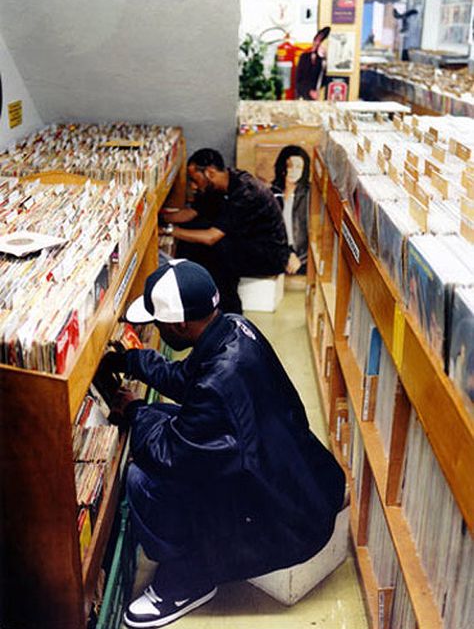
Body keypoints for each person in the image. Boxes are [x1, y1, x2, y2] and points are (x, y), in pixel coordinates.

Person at [102, 259, 346, 629]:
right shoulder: (234, 327)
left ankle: (188, 580)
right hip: (298, 479)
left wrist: (135, 411)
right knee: (164, 423)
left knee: (144, 479)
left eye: (158, 323)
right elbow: (189, 379)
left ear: (180, 325)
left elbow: (171, 454)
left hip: (285, 520)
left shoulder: (217, 382)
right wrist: (135, 362)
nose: (156, 328)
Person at [161, 148, 289, 314]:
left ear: (210, 172)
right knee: (194, 235)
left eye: (194, 179)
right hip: (246, 240)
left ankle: (230, 313)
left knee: (217, 253)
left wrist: (168, 231)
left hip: (270, 254)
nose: (193, 185)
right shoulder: (220, 184)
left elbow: (211, 237)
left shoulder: (245, 192)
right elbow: (191, 214)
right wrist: (160, 217)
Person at [271, 145, 310, 275]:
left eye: (299, 167)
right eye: (290, 166)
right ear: (282, 167)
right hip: (278, 254)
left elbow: (316, 235)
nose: (294, 171)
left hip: (303, 259)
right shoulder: (272, 193)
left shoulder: (310, 195)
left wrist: (300, 259)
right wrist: (287, 254)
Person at [295, 26, 331, 100]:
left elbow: (324, 80)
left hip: (314, 96)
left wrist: (325, 60)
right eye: (316, 40)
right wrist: (308, 91)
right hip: (302, 94)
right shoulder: (304, 57)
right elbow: (298, 79)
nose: (317, 43)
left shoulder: (321, 61)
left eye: (320, 41)